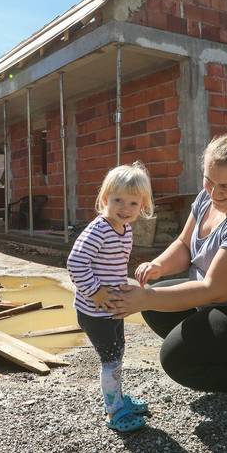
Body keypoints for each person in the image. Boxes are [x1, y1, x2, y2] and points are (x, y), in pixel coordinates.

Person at [109, 128, 227, 417]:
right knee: (157, 303)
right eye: (209, 181)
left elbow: (215, 289)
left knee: (177, 359)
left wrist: (144, 298)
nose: (214, 192)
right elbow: (184, 244)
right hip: (225, 306)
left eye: (226, 186)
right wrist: (158, 266)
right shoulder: (207, 198)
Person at [65, 162, 155, 432]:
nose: (125, 208)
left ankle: (118, 398)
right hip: (95, 312)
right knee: (111, 360)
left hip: (112, 308)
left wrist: (122, 286)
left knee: (117, 353)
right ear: (105, 198)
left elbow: (112, 265)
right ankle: (114, 411)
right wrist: (94, 291)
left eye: (133, 203)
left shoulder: (125, 229)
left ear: (142, 205)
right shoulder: (100, 229)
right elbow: (76, 263)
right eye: (118, 200)